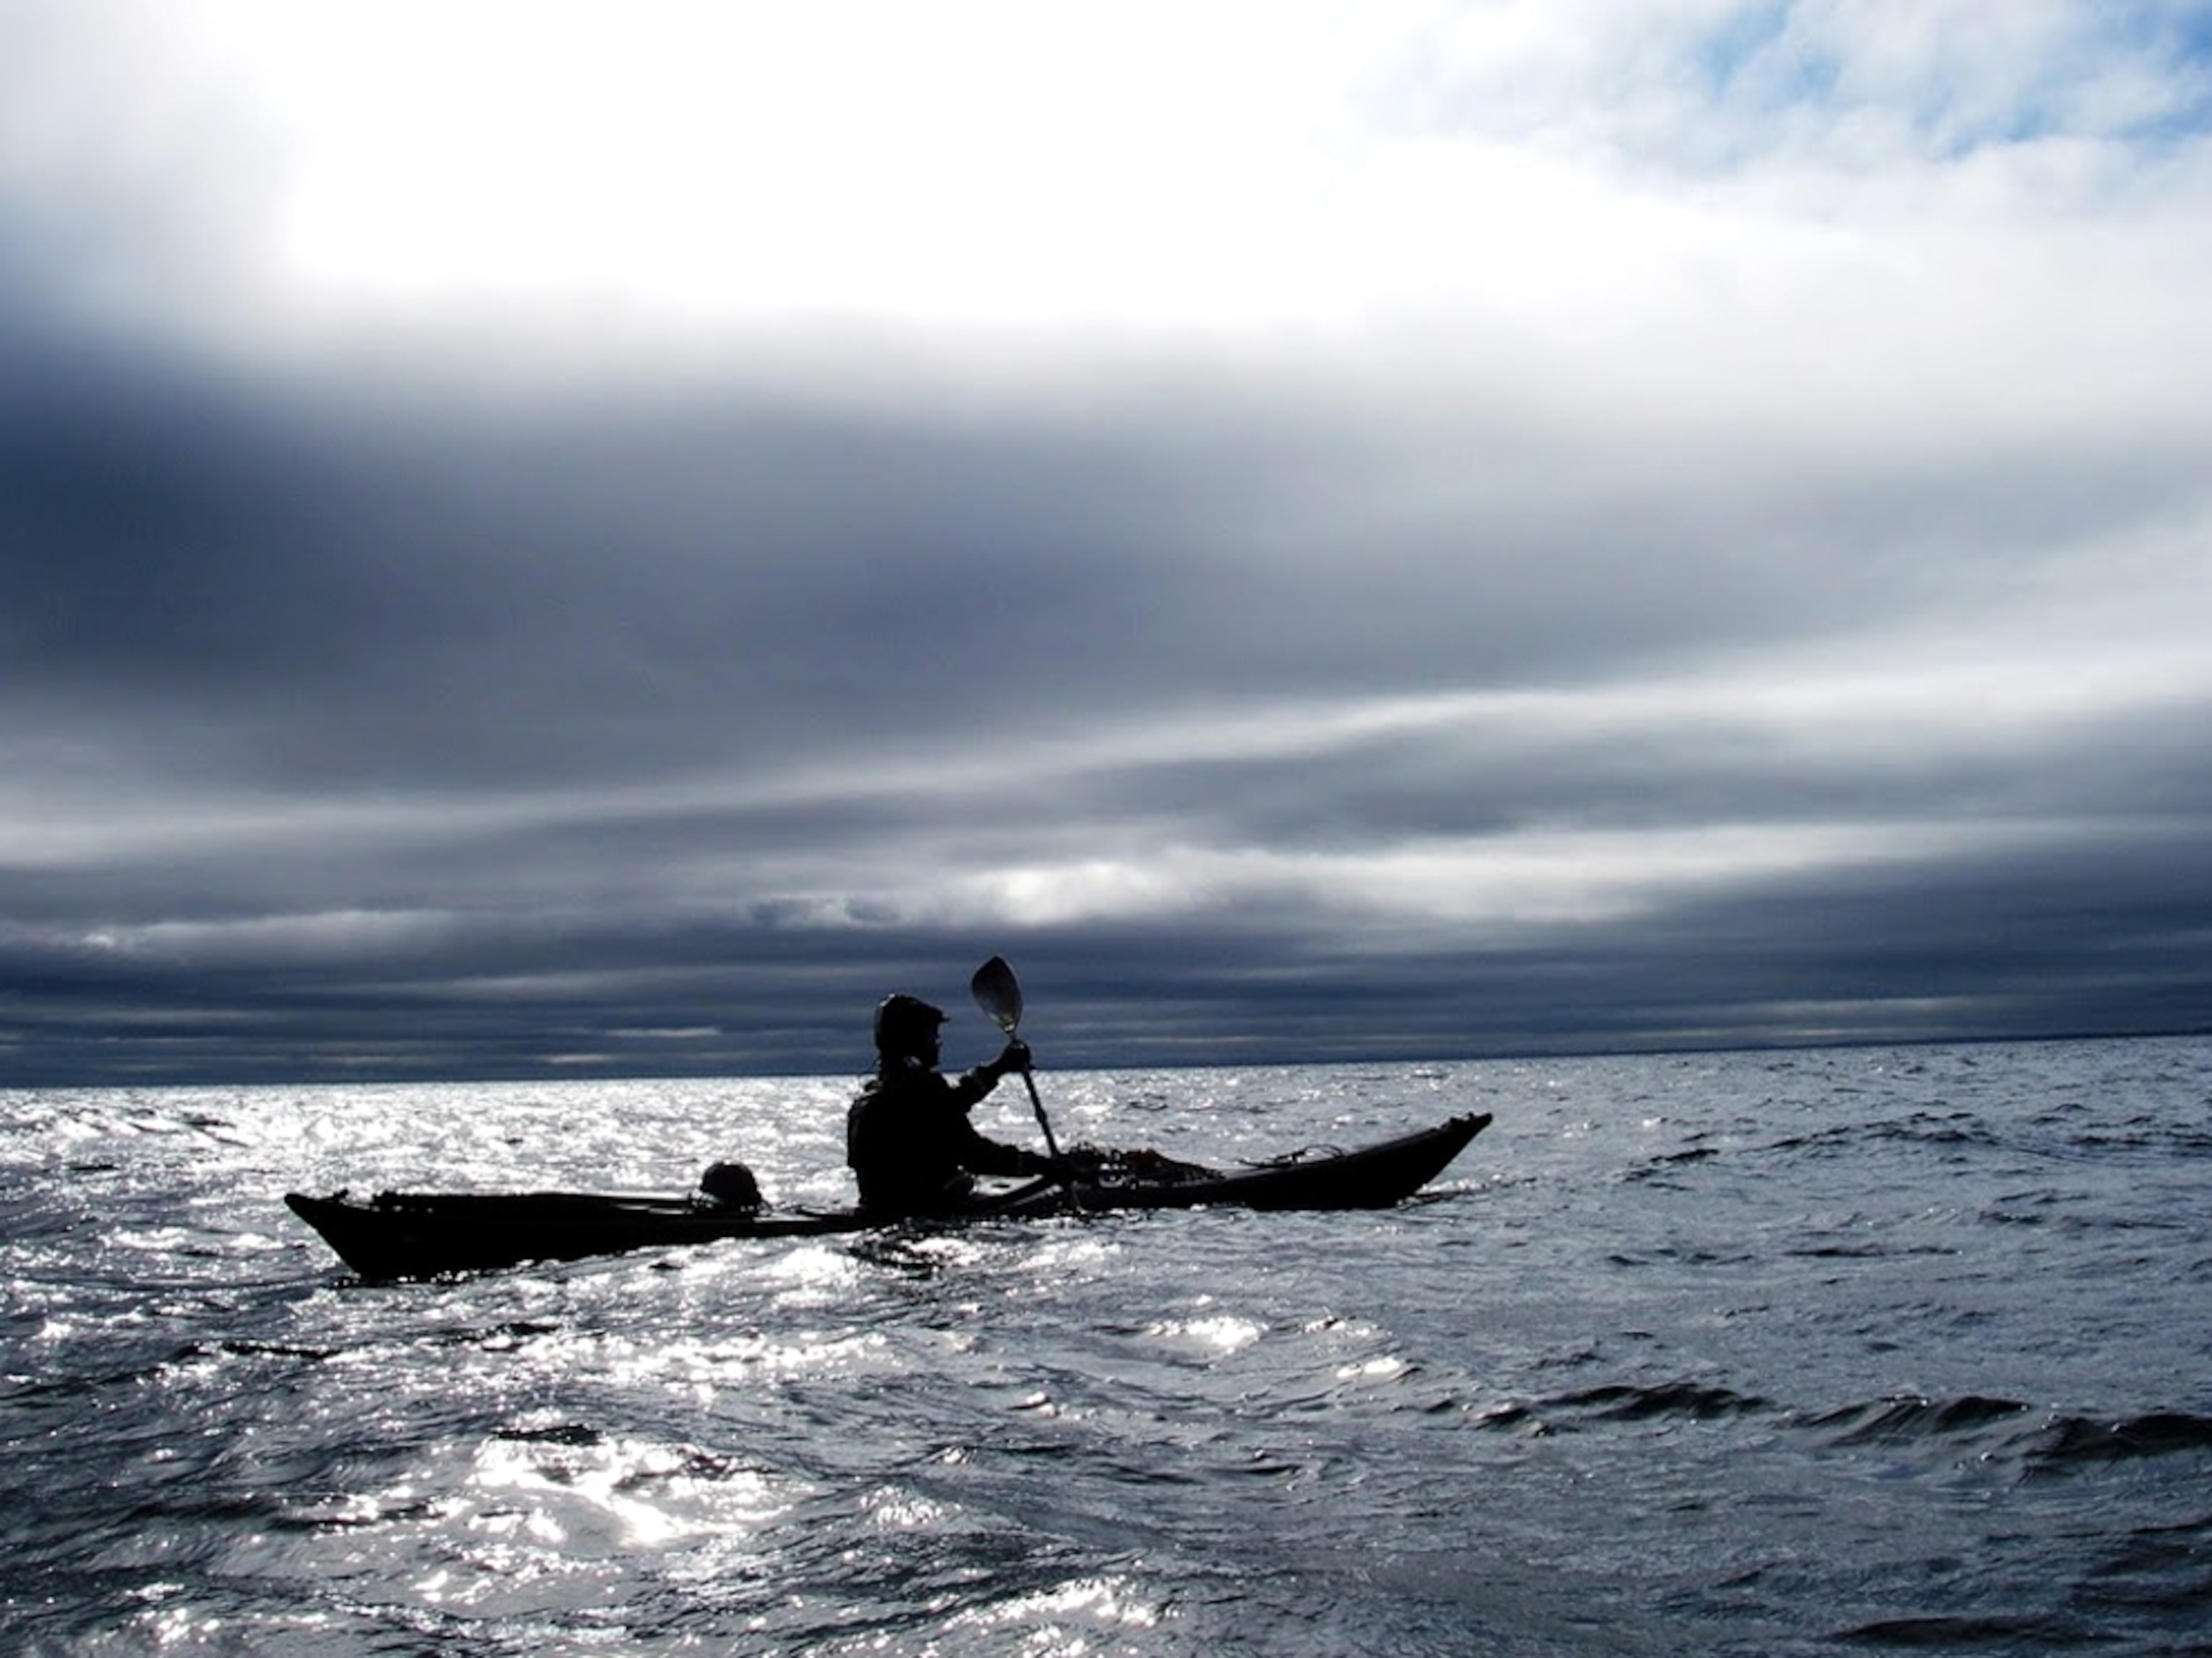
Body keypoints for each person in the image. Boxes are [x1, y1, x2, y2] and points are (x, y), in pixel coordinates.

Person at [846, 992, 1056, 1216]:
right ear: (912, 1040)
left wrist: (1000, 1067)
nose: (938, 1043)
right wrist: (1049, 1167)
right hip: (927, 1212)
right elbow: (978, 1157)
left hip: (880, 1207)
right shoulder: (921, 1096)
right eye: (931, 1035)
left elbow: (951, 1105)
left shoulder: (871, 1100)